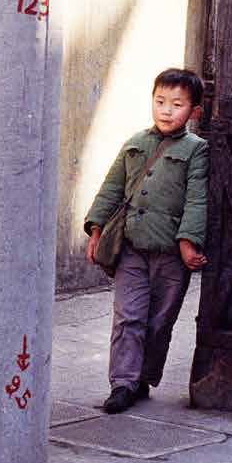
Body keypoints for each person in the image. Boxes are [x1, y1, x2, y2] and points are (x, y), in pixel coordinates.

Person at [83, 69, 209, 414]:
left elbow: (197, 199)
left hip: (170, 254)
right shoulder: (135, 143)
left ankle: (143, 378)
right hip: (131, 248)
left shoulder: (198, 150)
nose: (166, 111)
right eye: (160, 101)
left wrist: (188, 241)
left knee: (159, 322)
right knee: (128, 317)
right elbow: (111, 190)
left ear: (195, 111)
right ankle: (122, 383)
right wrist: (96, 230)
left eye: (177, 104)